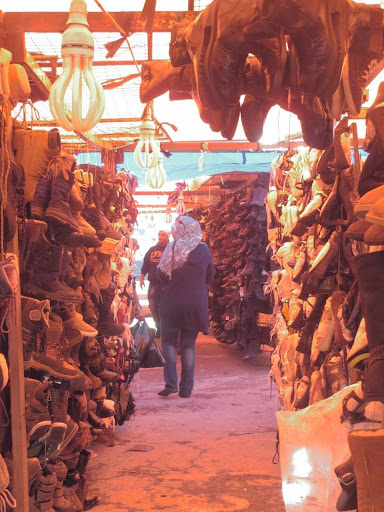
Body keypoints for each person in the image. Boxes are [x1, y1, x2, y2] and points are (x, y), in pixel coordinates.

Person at [156, 216, 214, 398]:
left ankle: (171, 383)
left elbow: (161, 274)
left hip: (173, 302)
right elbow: (210, 276)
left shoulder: (173, 248)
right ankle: (186, 389)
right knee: (188, 346)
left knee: (168, 343)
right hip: (195, 303)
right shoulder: (204, 249)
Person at [140, 230, 170, 337]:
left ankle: (165, 328)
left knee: (166, 307)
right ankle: (159, 327)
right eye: (159, 234)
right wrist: (142, 278)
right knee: (152, 306)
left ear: (168, 237)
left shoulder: (171, 249)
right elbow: (146, 264)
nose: (160, 237)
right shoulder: (152, 250)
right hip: (154, 283)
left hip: (167, 284)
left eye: (163, 235)